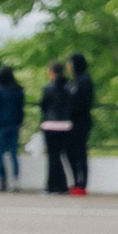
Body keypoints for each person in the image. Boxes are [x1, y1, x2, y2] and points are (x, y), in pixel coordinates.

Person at [0, 63, 26, 191]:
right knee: (14, 153)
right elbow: (21, 108)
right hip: (14, 124)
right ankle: (15, 181)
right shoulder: (18, 90)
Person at [40, 59, 74, 193]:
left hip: (50, 124)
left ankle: (52, 185)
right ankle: (62, 185)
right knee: (60, 155)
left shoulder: (48, 88)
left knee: (52, 156)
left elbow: (44, 105)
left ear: (52, 72)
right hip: (65, 124)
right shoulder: (69, 87)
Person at [65, 52, 95, 194]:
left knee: (80, 153)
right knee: (70, 152)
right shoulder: (74, 81)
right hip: (71, 122)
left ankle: (82, 183)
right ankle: (76, 181)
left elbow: (83, 102)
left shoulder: (85, 81)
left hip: (81, 121)